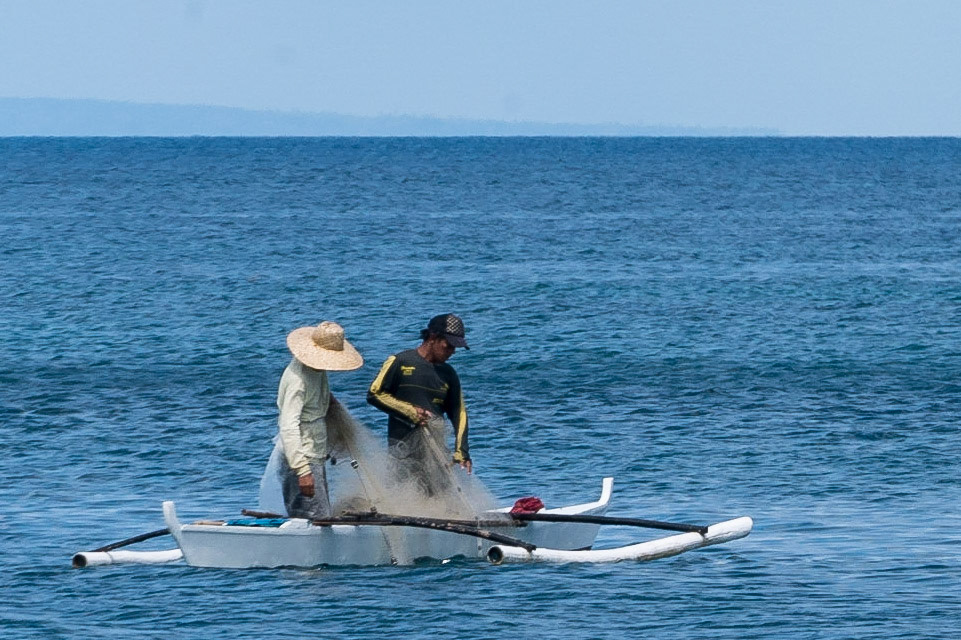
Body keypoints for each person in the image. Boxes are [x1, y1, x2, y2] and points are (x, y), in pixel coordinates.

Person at [260, 321, 363, 519]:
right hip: (300, 458)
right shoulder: (298, 381)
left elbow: (317, 399)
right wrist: (303, 471)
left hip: (314, 455)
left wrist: (328, 402)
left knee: (320, 514)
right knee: (312, 517)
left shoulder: (316, 371)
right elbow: (288, 426)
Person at [367, 313, 472, 489]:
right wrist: (410, 412)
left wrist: (462, 451)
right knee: (402, 495)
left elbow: (459, 413)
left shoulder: (449, 374)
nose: (452, 352)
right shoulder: (400, 361)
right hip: (401, 453)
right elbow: (374, 394)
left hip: (436, 455)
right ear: (432, 338)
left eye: (455, 348)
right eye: (448, 346)